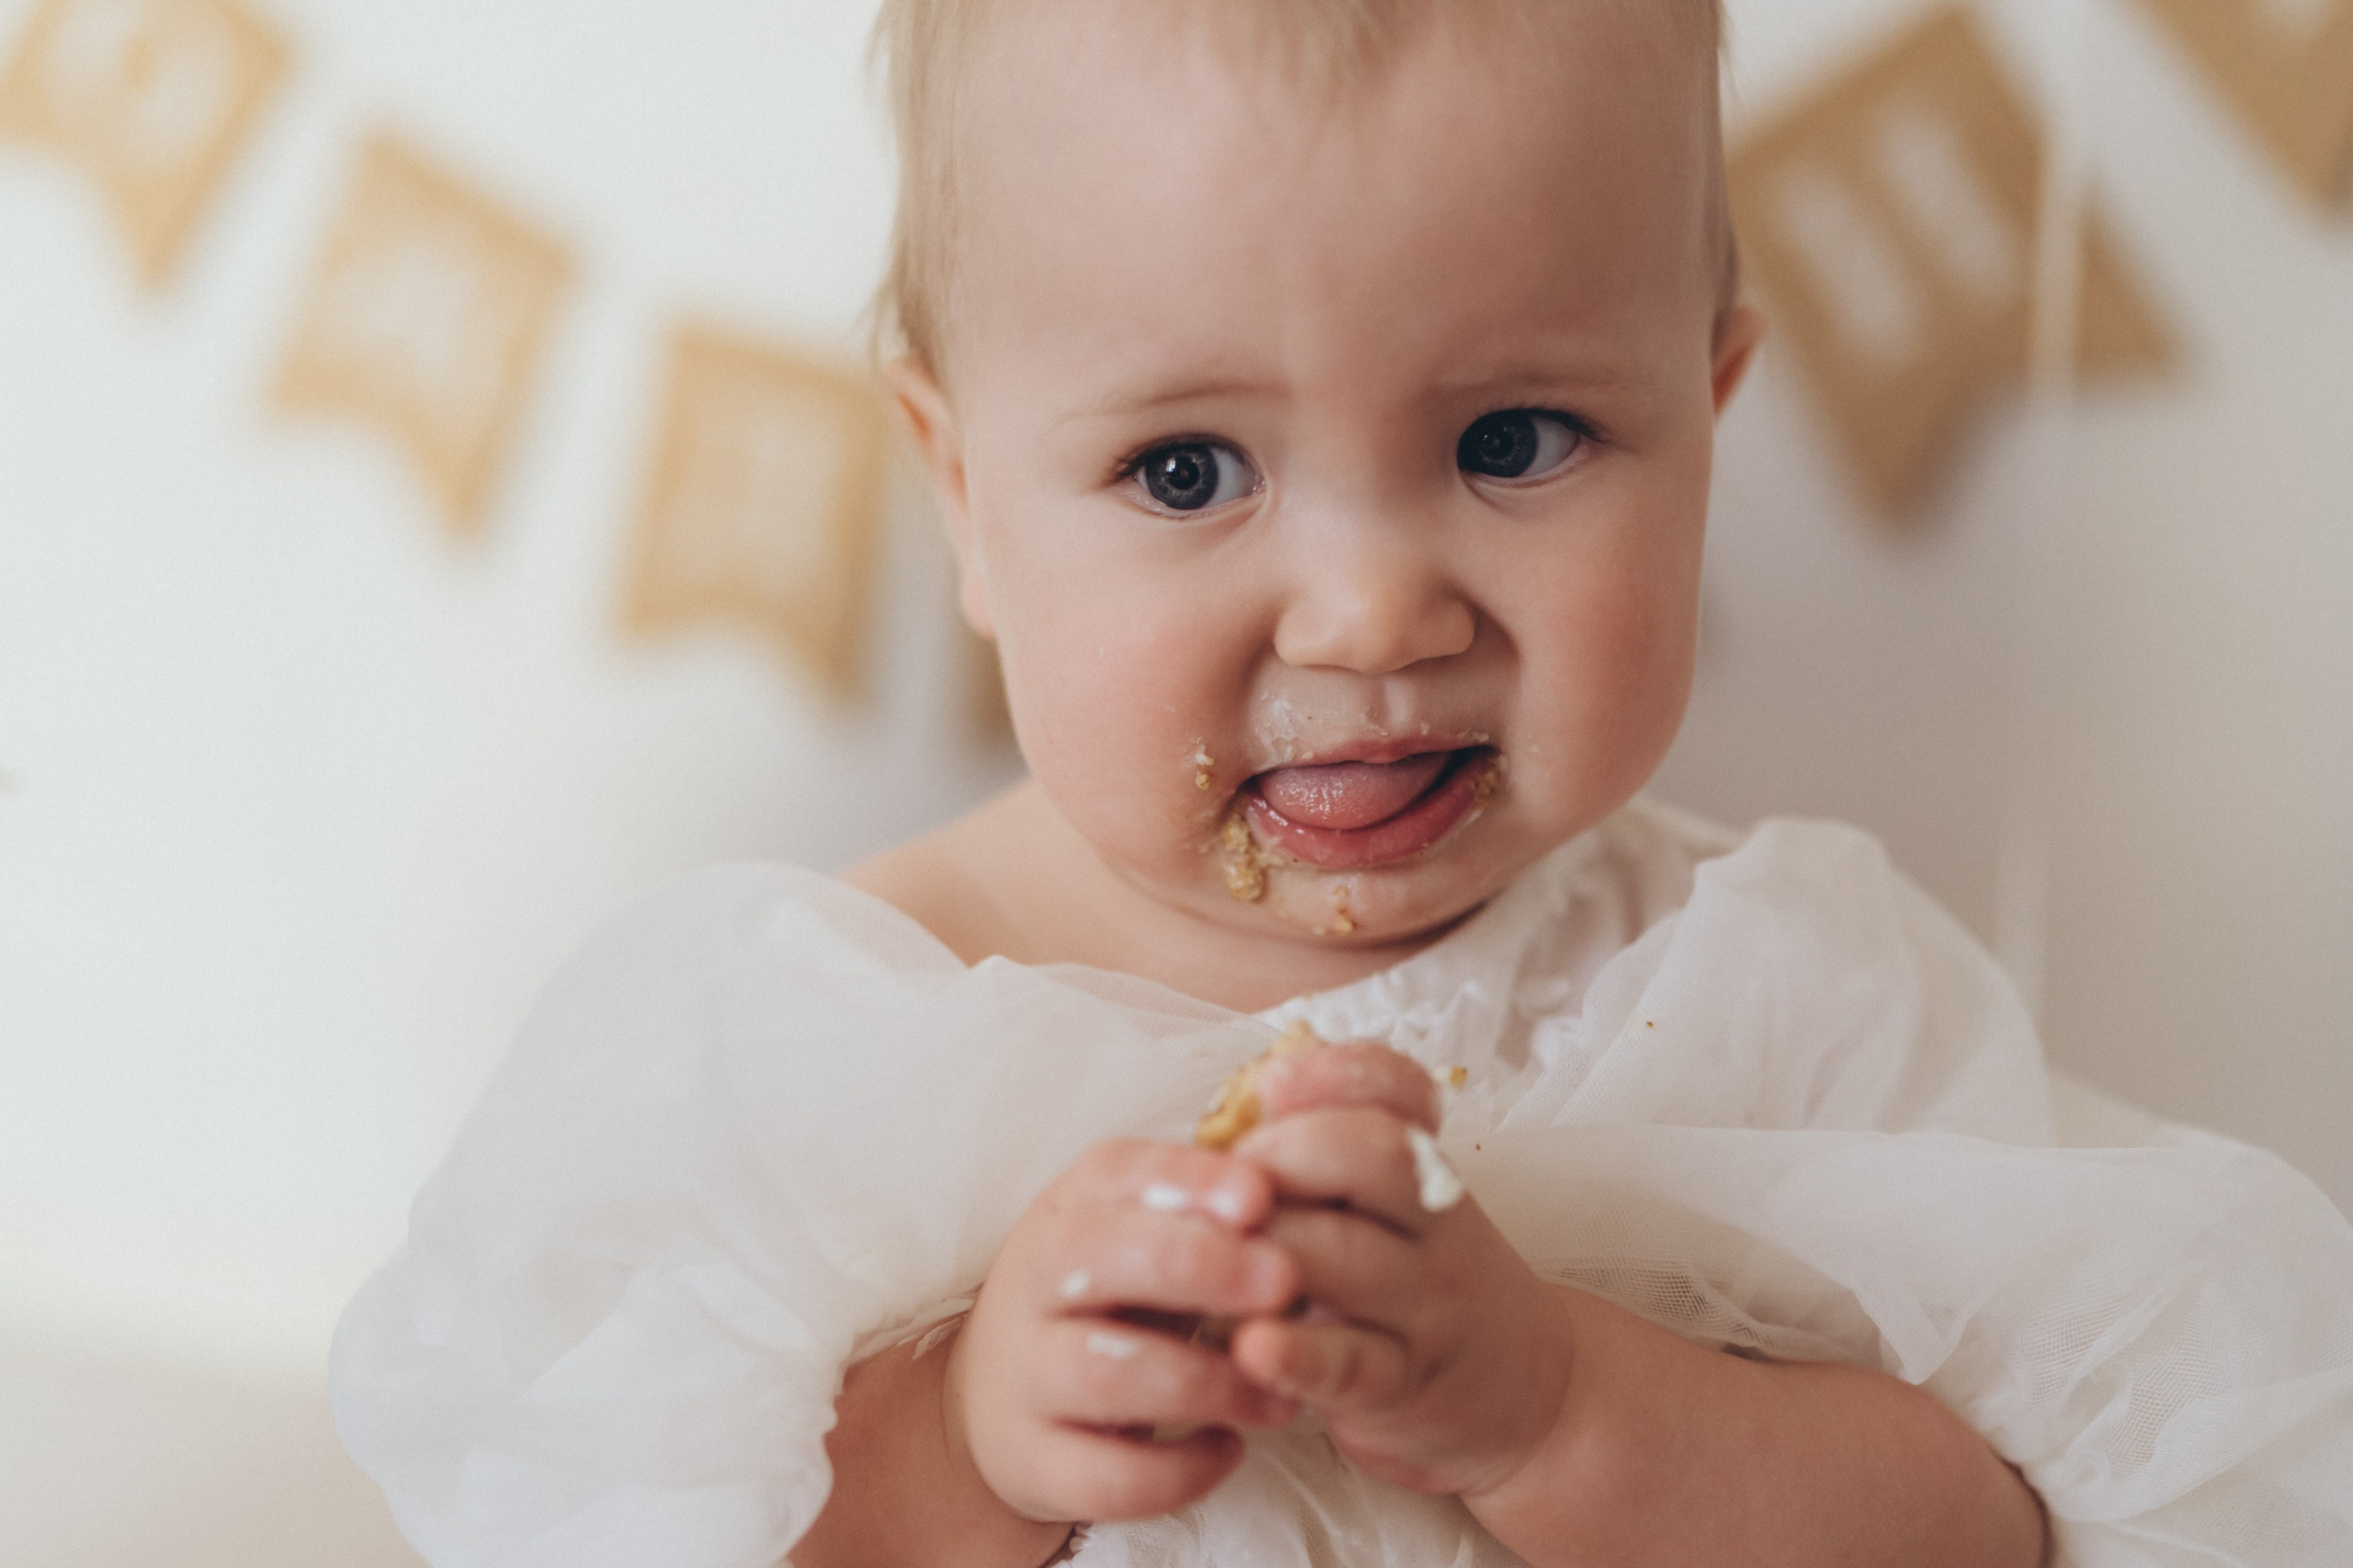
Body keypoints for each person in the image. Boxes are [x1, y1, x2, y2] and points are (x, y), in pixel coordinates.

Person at [330, 3, 2353, 1565]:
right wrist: (965, 1443)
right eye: (1186, 470)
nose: (1371, 612)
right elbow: (616, 1523)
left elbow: (1997, 1524)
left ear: (1706, 417)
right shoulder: (829, 1047)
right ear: (959, 493)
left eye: (1517, 435)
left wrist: (1561, 1412)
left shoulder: (1782, 996)